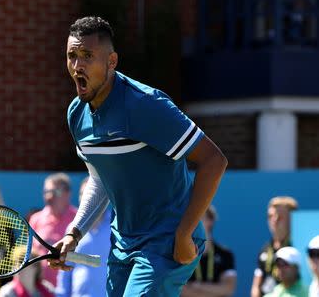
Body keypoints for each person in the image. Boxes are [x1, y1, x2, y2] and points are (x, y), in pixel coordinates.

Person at [48, 16, 228, 297]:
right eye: (72, 56)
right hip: (123, 242)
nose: (77, 65)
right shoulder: (76, 114)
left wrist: (184, 233)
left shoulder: (145, 105)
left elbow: (214, 161)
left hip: (167, 238)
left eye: (87, 56)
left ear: (112, 62)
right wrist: (74, 233)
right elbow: (100, 180)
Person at [55, 177, 111, 297]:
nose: (85, 199)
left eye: (90, 194)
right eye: (82, 194)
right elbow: (65, 270)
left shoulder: (116, 225)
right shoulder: (72, 230)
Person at [28, 173, 77, 287]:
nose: (49, 197)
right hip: (41, 290)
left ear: (67, 194)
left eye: (55, 192)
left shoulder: (79, 221)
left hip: (72, 291)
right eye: (46, 192)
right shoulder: (35, 219)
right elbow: (29, 254)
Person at [181, 205, 236, 297]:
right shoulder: (180, 255)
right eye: (192, 218)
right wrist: (214, 290)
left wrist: (196, 286)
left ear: (210, 221)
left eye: (200, 217)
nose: (195, 222)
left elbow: (228, 288)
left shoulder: (225, 254)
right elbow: (181, 290)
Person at [251, 196, 299, 297]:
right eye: (270, 216)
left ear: (292, 219)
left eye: (280, 217)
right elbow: (256, 286)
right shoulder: (265, 249)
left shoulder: (298, 250)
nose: (274, 220)